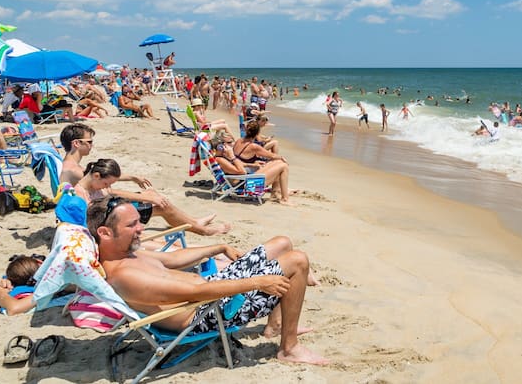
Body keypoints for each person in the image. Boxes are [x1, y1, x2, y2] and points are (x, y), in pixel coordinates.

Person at [87, 199, 328, 365]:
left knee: (282, 243)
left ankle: (274, 325)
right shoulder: (124, 275)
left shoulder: (127, 253)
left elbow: (171, 259)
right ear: (105, 233)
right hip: (208, 314)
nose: (141, 229)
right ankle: (289, 348)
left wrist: (218, 247)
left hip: (212, 289)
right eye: (132, 225)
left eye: (139, 221)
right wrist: (257, 282)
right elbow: (198, 291)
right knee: (296, 262)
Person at [59, 124, 229, 236]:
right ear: (76, 143)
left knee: (153, 196)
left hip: (103, 206)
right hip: (102, 216)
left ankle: (193, 222)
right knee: (161, 205)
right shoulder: (73, 170)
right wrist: (145, 196)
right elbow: (107, 187)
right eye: (89, 141)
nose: (91, 145)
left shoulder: (74, 166)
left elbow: (104, 181)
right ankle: (202, 229)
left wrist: (133, 179)